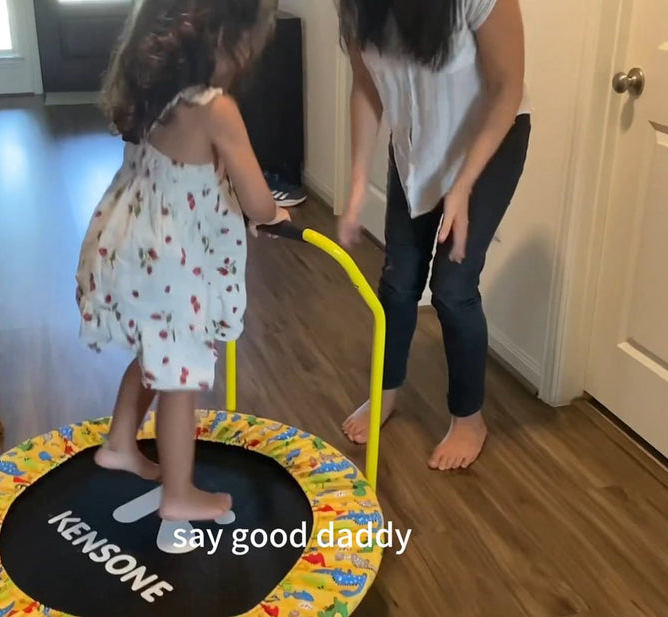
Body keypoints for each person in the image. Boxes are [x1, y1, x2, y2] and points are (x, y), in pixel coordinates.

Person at [75, 0, 288, 522]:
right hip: (173, 268)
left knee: (156, 353)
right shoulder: (217, 110)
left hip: (134, 248)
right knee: (180, 377)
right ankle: (180, 495)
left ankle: (122, 443)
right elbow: (257, 200)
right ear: (223, 41)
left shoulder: (155, 95)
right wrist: (272, 213)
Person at [336, 0, 531, 470]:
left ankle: (469, 418)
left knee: (453, 289)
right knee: (399, 279)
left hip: (490, 141)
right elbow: (366, 86)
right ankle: (385, 393)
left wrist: (462, 187)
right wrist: (359, 182)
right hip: (417, 148)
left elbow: (507, 88)